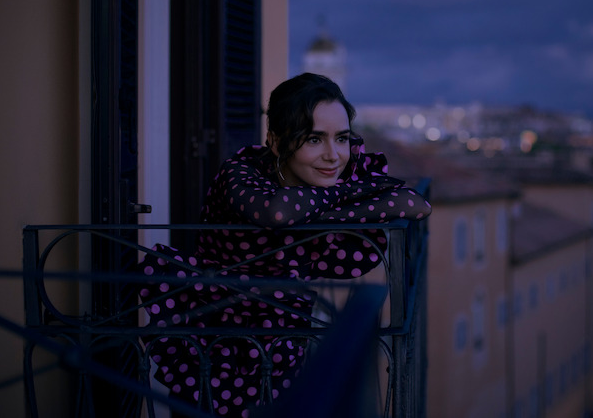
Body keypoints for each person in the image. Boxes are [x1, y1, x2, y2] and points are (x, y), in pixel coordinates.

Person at [139, 73, 431, 417]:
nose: (334, 156)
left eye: (342, 138)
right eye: (313, 139)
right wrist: (342, 196)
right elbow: (277, 213)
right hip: (217, 340)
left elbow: (415, 204)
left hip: (282, 338)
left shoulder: (339, 169)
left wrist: (325, 206)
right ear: (276, 143)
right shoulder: (241, 172)